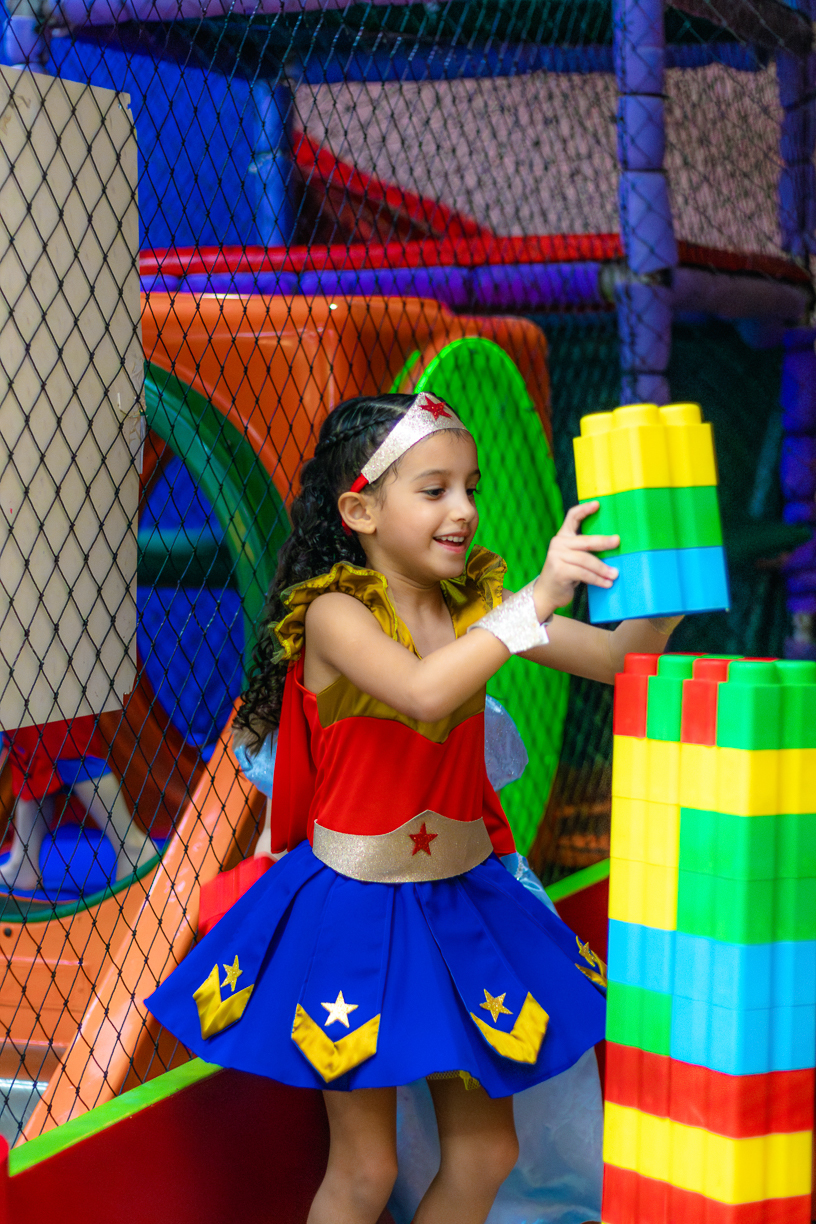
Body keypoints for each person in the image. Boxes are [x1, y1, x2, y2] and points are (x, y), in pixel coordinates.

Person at [147, 391, 679, 1224]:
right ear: (360, 510)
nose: (462, 509)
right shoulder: (335, 615)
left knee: (487, 1153)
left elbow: (618, 658)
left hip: (463, 903)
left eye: (470, 487)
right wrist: (535, 598)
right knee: (365, 1169)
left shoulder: (474, 603)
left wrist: (672, 573)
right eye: (434, 490)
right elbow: (425, 693)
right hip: (357, 911)